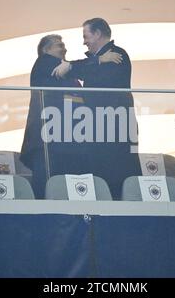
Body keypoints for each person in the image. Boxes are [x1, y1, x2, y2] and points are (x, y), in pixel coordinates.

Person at [21, 34, 122, 199]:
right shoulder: (45, 63)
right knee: (49, 192)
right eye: (59, 45)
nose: (64, 48)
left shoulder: (64, 70)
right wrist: (100, 59)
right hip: (48, 141)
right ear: (46, 50)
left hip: (67, 139)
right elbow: (75, 68)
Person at [52, 18, 140, 200]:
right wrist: (97, 60)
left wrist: (72, 65)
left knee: (117, 183)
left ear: (98, 34)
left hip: (114, 128)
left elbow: (90, 73)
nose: (84, 42)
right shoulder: (102, 58)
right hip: (103, 129)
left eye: (86, 36)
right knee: (100, 179)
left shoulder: (116, 55)